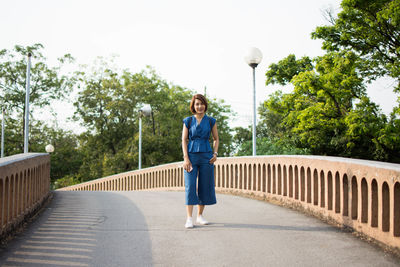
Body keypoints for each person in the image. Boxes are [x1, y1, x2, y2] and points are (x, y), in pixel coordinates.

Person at [182, 94, 219, 228]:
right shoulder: (188, 121)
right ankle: (189, 218)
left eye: (202, 104)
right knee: (190, 186)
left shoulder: (211, 121)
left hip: (206, 157)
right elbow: (184, 140)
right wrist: (186, 158)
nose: (200, 106)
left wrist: (215, 153)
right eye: (197, 104)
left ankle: (200, 216)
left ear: (205, 105)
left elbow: (216, 139)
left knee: (204, 185)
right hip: (191, 157)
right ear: (193, 106)